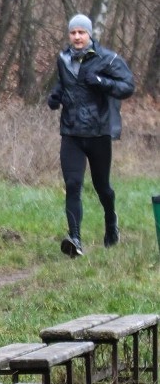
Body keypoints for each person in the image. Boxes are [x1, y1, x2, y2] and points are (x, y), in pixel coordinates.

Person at [46, 14, 134, 257]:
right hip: (71, 132)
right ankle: (75, 239)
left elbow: (128, 86)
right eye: (73, 32)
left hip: (98, 132)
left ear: (89, 34)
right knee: (73, 185)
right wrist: (54, 98)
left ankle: (111, 223)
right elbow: (62, 86)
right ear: (69, 35)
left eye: (81, 33)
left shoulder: (107, 58)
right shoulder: (63, 58)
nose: (77, 37)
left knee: (102, 186)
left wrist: (102, 81)